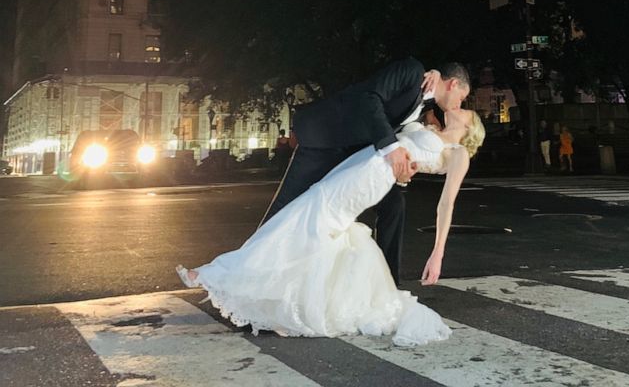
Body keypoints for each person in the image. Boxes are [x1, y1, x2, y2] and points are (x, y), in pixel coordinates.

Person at [177, 106, 485, 346]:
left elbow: (446, 204)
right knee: (307, 219)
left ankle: (218, 273)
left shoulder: (458, 154)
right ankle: (272, 296)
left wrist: (437, 253)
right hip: (363, 162)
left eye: (465, 111)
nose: (459, 108)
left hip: (371, 176)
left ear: (470, 127)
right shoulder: (431, 127)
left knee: (308, 219)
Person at [260, 58, 471, 284]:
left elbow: (405, 138)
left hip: (358, 159)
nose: (460, 104)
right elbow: (369, 97)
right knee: (285, 208)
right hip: (328, 139)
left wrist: (405, 166)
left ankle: (388, 283)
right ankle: (245, 274)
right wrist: (391, 148)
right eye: (462, 97)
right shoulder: (412, 71)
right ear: (453, 84)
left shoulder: (423, 105)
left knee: (394, 205)